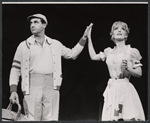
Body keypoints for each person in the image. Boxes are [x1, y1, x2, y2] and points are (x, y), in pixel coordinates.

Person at [9, 13, 92, 121]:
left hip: (51, 86)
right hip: (32, 86)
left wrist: (84, 37)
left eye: (36, 22)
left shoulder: (55, 44)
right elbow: (15, 69)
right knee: (32, 119)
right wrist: (13, 90)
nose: (32, 25)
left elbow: (72, 54)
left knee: (51, 119)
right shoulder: (23, 45)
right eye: (31, 23)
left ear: (44, 25)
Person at [87, 21, 145, 121]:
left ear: (126, 34)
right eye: (116, 29)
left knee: (125, 117)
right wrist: (88, 37)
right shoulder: (108, 51)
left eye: (122, 29)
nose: (119, 30)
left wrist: (128, 69)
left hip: (124, 89)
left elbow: (139, 73)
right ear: (112, 34)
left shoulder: (131, 51)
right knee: (112, 118)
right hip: (112, 89)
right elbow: (93, 56)